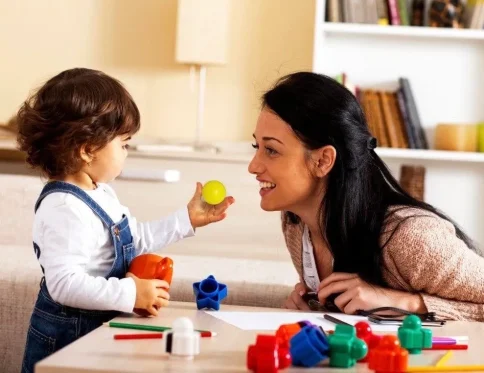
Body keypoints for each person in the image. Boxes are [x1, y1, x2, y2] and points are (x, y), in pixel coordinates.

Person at [17, 68, 235, 373]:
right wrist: (130, 292)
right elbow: (64, 285)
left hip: (97, 330)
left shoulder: (100, 192)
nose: (127, 152)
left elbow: (135, 239)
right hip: (67, 340)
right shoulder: (64, 207)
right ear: (88, 150)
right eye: (124, 144)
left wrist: (187, 220)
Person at [248, 71, 484, 322]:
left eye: (271, 150)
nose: (253, 166)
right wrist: (317, 311)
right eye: (257, 147)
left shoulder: (411, 237)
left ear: (323, 160)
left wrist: (407, 304)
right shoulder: (296, 223)